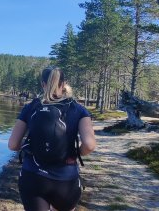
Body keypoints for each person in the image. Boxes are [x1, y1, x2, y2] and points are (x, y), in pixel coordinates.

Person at [8, 66, 96, 211]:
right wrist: (75, 153)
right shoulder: (78, 109)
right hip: (65, 181)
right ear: (63, 83)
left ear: (43, 84)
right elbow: (90, 145)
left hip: (33, 177)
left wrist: (28, 147)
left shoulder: (31, 107)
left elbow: (12, 144)